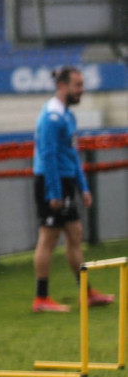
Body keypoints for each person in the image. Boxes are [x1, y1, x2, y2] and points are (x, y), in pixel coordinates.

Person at [31, 66, 113, 313]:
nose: (82, 90)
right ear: (63, 86)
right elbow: (49, 157)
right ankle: (41, 298)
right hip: (50, 181)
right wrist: (54, 192)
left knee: (75, 234)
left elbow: (71, 155)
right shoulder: (51, 117)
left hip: (64, 183)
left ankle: (86, 291)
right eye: (78, 85)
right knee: (49, 238)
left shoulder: (67, 115)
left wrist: (82, 186)